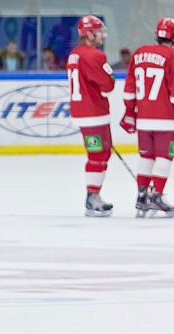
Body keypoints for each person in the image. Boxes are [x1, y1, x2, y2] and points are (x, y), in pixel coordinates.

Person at [120, 18, 174, 218]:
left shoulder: (139, 53)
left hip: (144, 119)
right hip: (167, 119)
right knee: (164, 157)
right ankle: (156, 196)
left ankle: (141, 197)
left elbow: (129, 89)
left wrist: (130, 112)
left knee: (146, 157)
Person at [66, 15, 116, 217]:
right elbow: (108, 85)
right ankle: (92, 197)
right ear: (88, 34)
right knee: (97, 155)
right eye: (99, 31)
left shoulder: (74, 54)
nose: (103, 35)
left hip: (83, 111)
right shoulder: (95, 55)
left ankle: (94, 195)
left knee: (102, 153)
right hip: (93, 112)